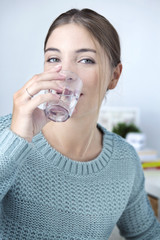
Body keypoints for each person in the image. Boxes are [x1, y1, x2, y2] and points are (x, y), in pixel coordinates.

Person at [0, 8, 160, 240]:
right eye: (53, 59)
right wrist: (16, 140)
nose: (65, 74)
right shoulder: (6, 135)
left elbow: (146, 234)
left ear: (114, 76)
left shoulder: (125, 161)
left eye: (86, 60)